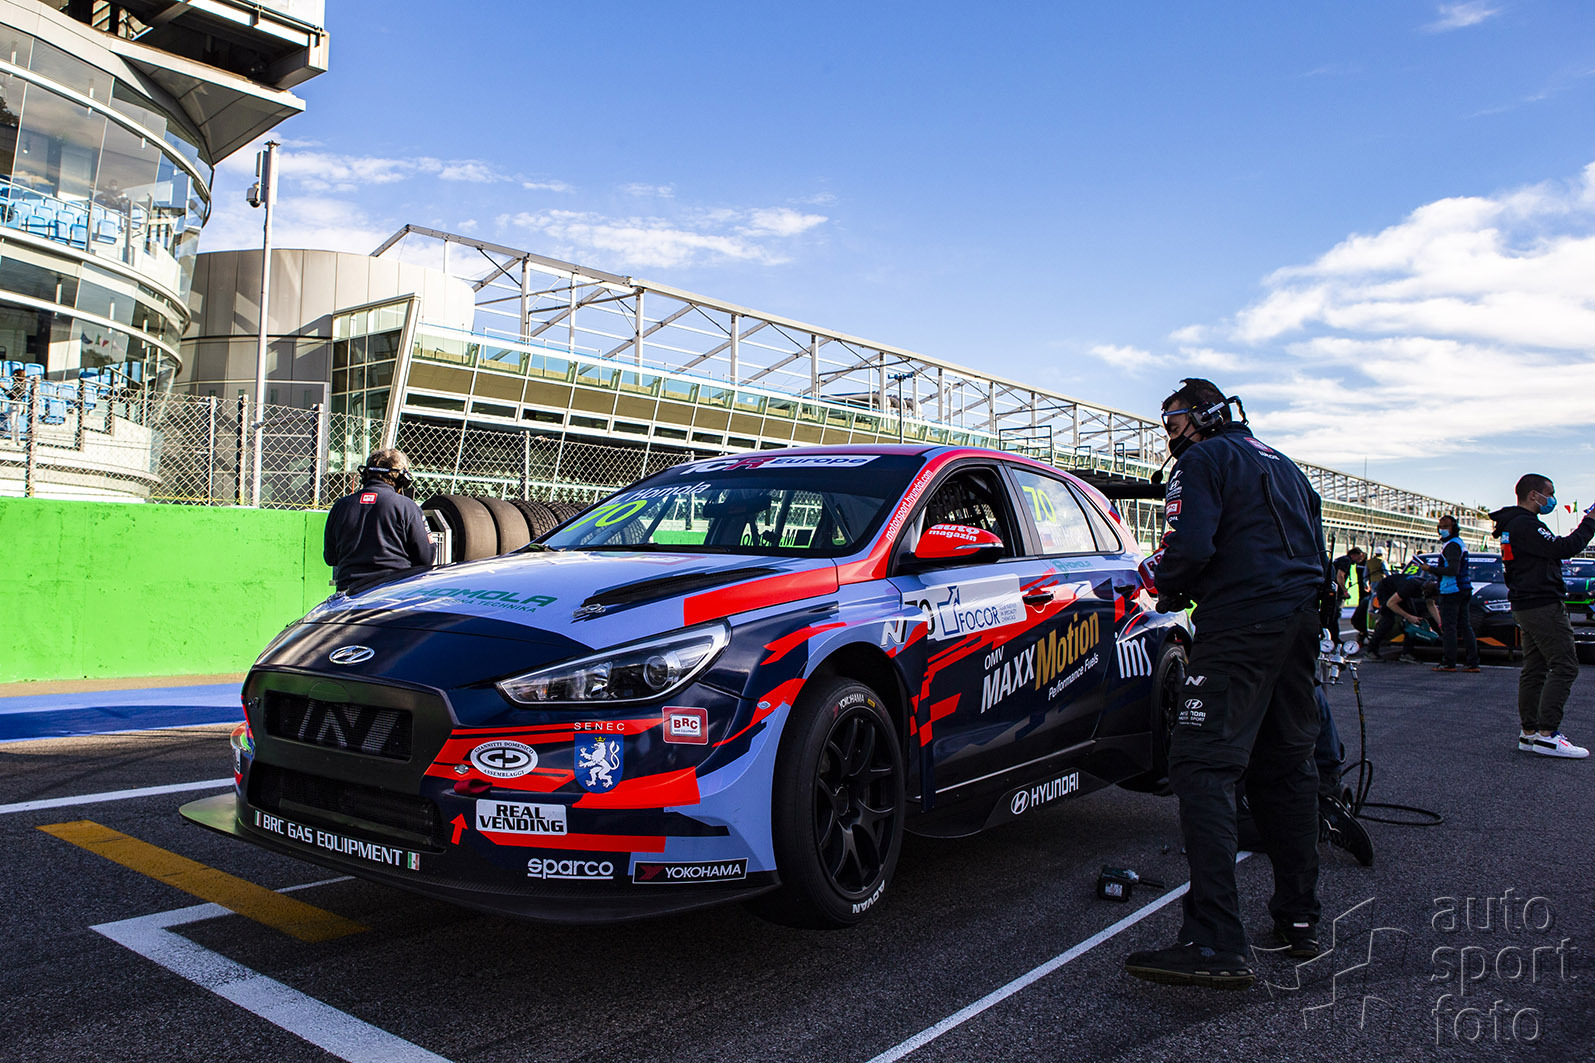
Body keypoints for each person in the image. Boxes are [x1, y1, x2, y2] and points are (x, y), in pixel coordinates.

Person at [1124, 378, 1330, 990]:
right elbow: (1316, 551)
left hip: (1241, 625)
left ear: (1206, 415)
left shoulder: (1202, 460)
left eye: (1174, 422)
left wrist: (1163, 583)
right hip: (1298, 624)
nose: (1171, 435)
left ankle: (1214, 939)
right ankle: (1299, 919)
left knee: (1200, 765)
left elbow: (1189, 546)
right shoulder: (1284, 464)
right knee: (1287, 767)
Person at [1489, 475, 1595, 759]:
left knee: (1535, 668)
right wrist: (1590, 522)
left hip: (1526, 603)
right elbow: (1563, 548)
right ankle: (1548, 734)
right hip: (1542, 604)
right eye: (1550, 493)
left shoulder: (1513, 524)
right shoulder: (1526, 524)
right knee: (1565, 666)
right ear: (1534, 495)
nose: (1553, 499)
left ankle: (1530, 732)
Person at [323, 448, 434, 594]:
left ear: (365, 474)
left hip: (349, 594)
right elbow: (426, 557)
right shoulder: (408, 507)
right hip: (393, 593)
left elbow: (330, 558)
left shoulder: (340, 506)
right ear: (402, 479)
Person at [1424, 515, 1479, 672]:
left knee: (1449, 628)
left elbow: (1452, 570)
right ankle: (1472, 663)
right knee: (1465, 626)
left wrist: (1431, 569)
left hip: (1452, 590)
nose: (1442, 530)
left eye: (1445, 526)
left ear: (1453, 528)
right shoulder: (1458, 543)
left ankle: (1449, 662)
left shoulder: (1452, 546)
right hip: (1463, 588)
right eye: (1440, 526)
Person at [1365, 572, 1440, 661]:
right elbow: (1390, 604)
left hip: (1400, 592)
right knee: (1388, 620)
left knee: (1415, 621)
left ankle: (1407, 653)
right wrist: (1408, 616)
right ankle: (1371, 651)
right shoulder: (1411, 586)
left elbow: (1431, 605)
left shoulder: (1428, 586)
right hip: (1387, 590)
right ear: (1426, 592)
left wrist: (1440, 624)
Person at [1332, 546, 1370, 637]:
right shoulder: (1346, 561)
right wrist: (1345, 591)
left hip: (1331, 588)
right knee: (1335, 614)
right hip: (1336, 591)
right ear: (1353, 555)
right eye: (1359, 557)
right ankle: (1334, 637)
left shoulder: (1340, 559)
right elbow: (1340, 576)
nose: (1360, 560)